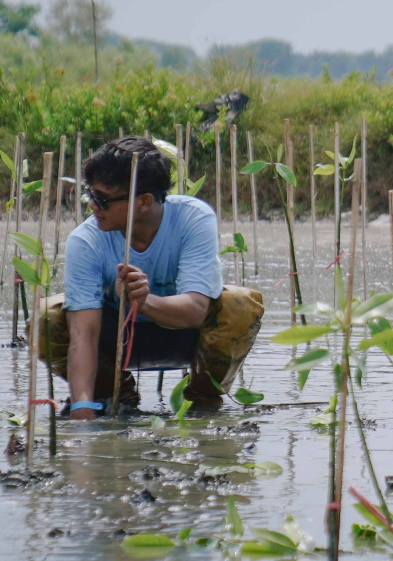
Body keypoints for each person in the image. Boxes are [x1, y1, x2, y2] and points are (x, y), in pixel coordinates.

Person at [38, 136, 264, 419]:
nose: (93, 206)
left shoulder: (193, 219)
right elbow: (84, 335)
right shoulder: (85, 241)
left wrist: (144, 302)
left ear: (144, 201)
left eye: (103, 199)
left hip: (182, 334)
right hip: (117, 338)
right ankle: (112, 396)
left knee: (239, 304)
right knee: (49, 317)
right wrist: (83, 407)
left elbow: (196, 311)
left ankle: (203, 399)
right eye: (90, 195)